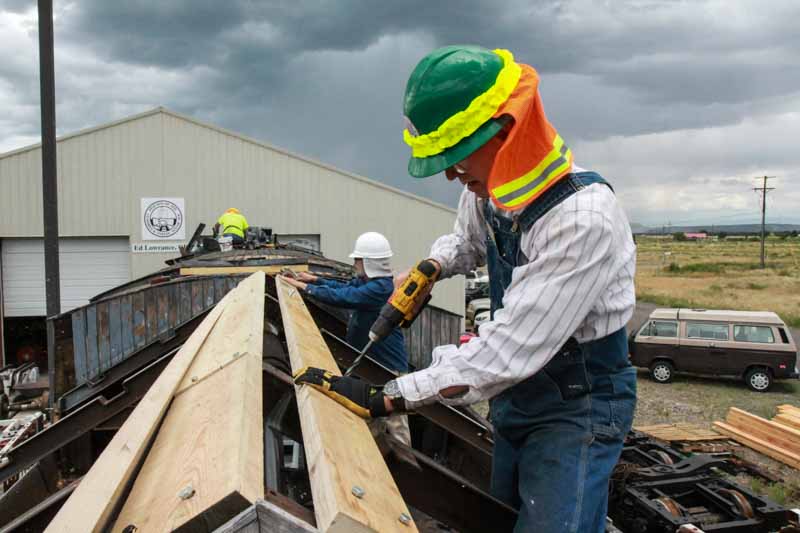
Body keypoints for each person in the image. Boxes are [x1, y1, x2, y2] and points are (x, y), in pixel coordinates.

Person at [294, 45, 637, 532]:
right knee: (497, 518)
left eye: (456, 157)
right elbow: (467, 241)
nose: (452, 173)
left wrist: (388, 395)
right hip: (518, 395)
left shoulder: (582, 219)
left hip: (577, 404)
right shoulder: (492, 187)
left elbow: (507, 350)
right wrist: (435, 265)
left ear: (506, 129)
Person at [280, 231, 411, 445]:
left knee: (396, 423)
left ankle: (406, 468)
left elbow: (344, 297)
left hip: (387, 368)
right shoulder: (367, 281)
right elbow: (344, 287)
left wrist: (305, 288)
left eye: (358, 260)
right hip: (372, 364)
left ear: (369, 262)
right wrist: (313, 279)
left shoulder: (380, 288)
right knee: (373, 417)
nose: (355, 263)